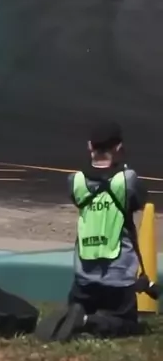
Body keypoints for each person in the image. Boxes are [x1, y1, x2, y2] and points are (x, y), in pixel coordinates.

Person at [37, 122, 148, 342]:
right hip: (118, 274)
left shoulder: (76, 181)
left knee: (80, 304)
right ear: (119, 148)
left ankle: (77, 314)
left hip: (84, 273)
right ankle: (87, 321)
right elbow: (139, 201)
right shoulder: (127, 180)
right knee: (128, 324)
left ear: (90, 146)